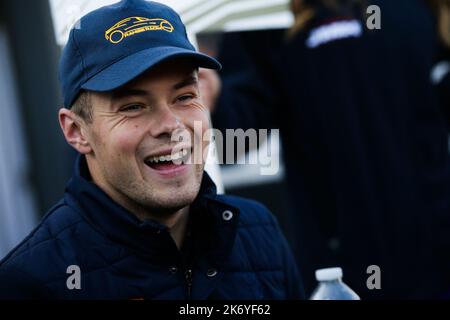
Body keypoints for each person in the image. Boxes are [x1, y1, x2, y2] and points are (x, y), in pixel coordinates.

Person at [0, 0, 303, 300]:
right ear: (77, 131)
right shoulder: (29, 283)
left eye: (184, 97)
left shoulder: (259, 231)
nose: (171, 125)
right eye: (133, 106)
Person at [206, 0, 450, 299]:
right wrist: (214, 100)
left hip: (434, 251)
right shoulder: (268, 14)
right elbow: (238, 137)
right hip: (336, 267)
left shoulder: (422, 8)